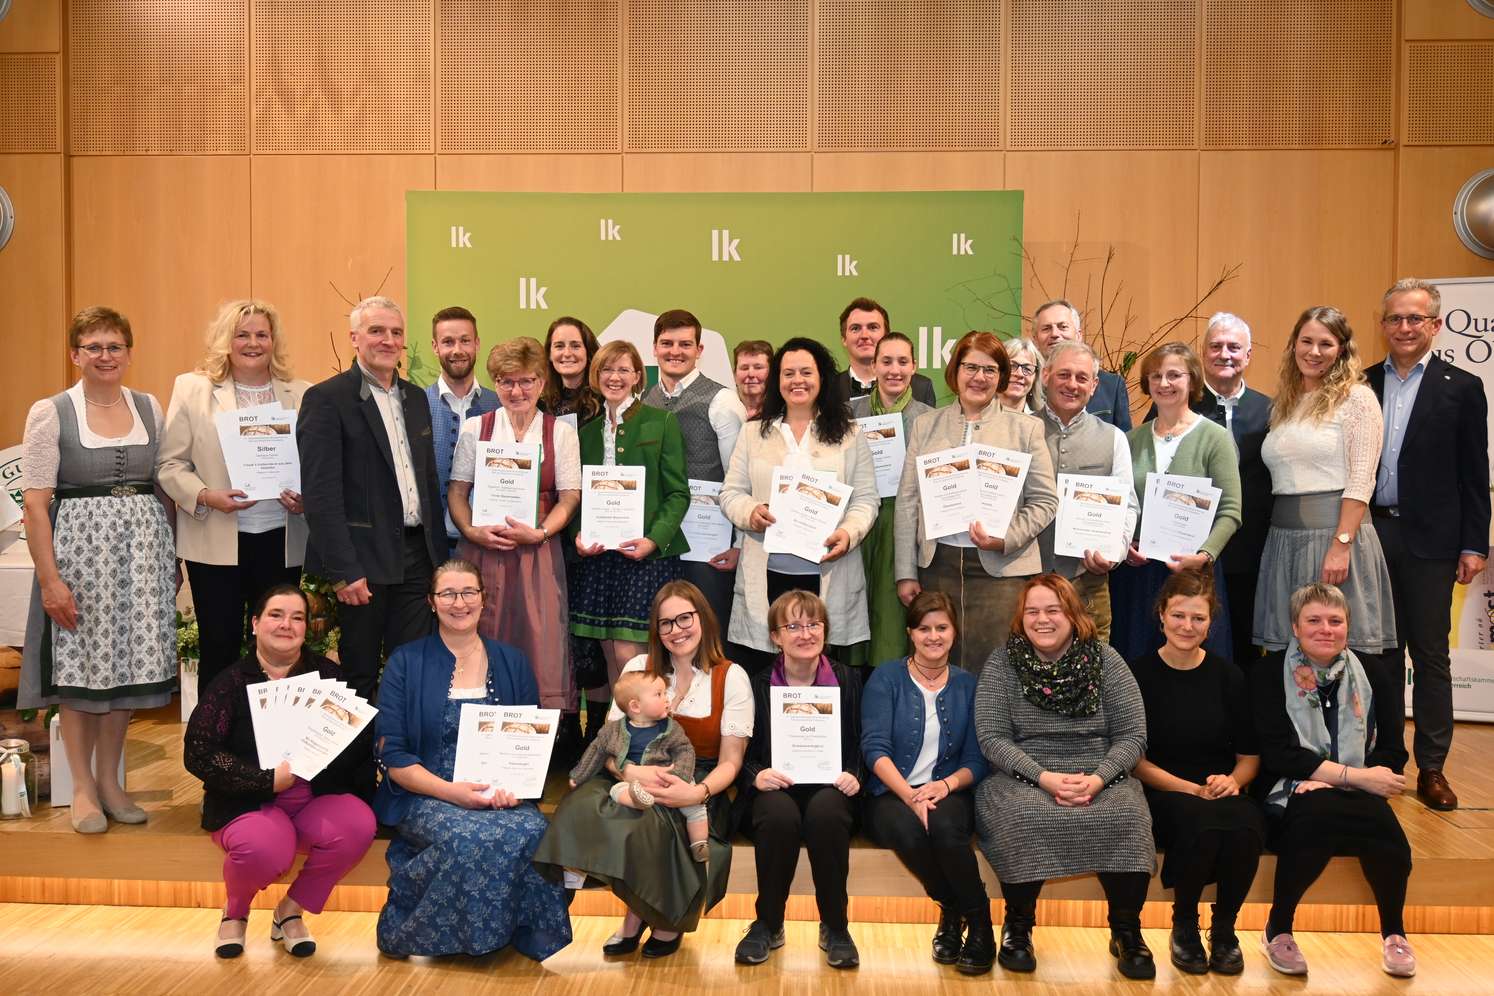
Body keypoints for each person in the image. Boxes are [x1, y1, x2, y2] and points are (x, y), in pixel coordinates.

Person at [19, 306, 176, 834]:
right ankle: (82, 788)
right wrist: (50, 580)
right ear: (75, 354)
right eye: (93, 347)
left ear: (129, 353)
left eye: (114, 346)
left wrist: (171, 560)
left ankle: (111, 782)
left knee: (126, 670)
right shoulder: (51, 411)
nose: (105, 356)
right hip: (80, 558)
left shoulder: (149, 406)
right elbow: (35, 503)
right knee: (81, 672)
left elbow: (163, 486)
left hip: (142, 559)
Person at [535, 580, 753, 959]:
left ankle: (651, 916)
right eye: (665, 623)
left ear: (703, 618)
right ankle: (572, 912)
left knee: (654, 823)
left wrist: (695, 792)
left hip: (698, 779)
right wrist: (630, 772)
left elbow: (731, 762)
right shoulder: (638, 668)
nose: (676, 630)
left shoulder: (730, 676)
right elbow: (608, 743)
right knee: (580, 805)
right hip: (630, 769)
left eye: (684, 618)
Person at [373, 559, 573, 960]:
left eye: (468, 592)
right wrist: (453, 793)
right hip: (426, 793)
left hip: (500, 792)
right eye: (448, 593)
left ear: (484, 599)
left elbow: (530, 738)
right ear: (431, 602)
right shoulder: (405, 662)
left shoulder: (513, 661)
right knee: (466, 837)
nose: (459, 603)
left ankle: (511, 934)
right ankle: (432, 936)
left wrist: (514, 790)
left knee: (534, 831)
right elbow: (392, 755)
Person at [974, 574, 1155, 979]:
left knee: (1127, 814)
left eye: (1053, 610)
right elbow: (992, 738)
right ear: (1021, 618)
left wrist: (1099, 779)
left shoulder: (1107, 661)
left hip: (1099, 773)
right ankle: (1018, 926)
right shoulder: (1002, 663)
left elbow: (1132, 736)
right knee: (1024, 815)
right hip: (1023, 774)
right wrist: (1043, 778)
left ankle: (1127, 931)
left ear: (1073, 615)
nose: (1042, 619)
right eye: (1032, 611)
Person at [183, 584, 376, 959]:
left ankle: (290, 910)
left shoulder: (328, 676)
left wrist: (321, 756)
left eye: (297, 617)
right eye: (276, 615)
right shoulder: (231, 683)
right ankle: (235, 912)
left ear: (306, 629)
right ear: (255, 624)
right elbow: (199, 752)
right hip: (248, 803)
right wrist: (265, 780)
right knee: (266, 847)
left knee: (358, 826)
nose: (286, 624)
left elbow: (358, 739)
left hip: (313, 799)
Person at [1250, 582, 1415, 979]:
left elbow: (1393, 752)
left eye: (1335, 621)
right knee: (1317, 815)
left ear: (1348, 626)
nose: (1326, 629)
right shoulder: (1268, 672)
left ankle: (1395, 933)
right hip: (1288, 789)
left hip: (1356, 791)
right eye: (1314, 620)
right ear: (1295, 627)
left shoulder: (1373, 672)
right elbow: (1278, 754)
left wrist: (1344, 781)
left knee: (1388, 832)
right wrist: (1350, 777)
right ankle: (1279, 929)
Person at [1367, 279, 1490, 812]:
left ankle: (1433, 767)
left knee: (1431, 655)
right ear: (1383, 324)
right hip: (1371, 534)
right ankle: (1388, 759)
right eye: (1395, 318)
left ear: (1435, 325)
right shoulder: (1361, 383)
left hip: (1433, 542)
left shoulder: (1462, 387)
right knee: (1380, 655)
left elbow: (1474, 473)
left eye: (1415, 318)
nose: (1404, 327)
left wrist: (1474, 544)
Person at [159, 300, 310, 696]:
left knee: (278, 647)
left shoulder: (301, 393)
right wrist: (206, 495)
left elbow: (316, 465)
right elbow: (170, 465)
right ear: (225, 340)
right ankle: (216, 733)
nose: (252, 343)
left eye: (262, 334)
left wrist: (305, 498)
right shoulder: (192, 389)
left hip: (280, 538)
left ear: (274, 341)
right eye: (242, 335)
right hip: (216, 540)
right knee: (219, 646)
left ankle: (270, 732)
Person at [298, 296, 444, 702]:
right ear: (354, 337)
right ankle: (359, 746)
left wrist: (437, 561)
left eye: (396, 332)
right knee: (359, 674)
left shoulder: (417, 399)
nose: (388, 340)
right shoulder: (327, 399)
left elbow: (427, 481)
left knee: (411, 669)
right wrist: (344, 570)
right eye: (376, 331)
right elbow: (320, 494)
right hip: (361, 560)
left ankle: (399, 745)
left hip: (416, 557)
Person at [895, 331, 1059, 674]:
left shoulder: (1026, 429)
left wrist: (1006, 538)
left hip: (1002, 572)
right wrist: (906, 572)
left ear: (1001, 376)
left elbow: (1045, 501)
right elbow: (908, 502)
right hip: (937, 566)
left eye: (990, 370)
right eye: (971, 367)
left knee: (996, 671)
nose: (979, 377)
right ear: (955, 370)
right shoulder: (926, 425)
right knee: (937, 665)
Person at [1130, 571, 1263, 976]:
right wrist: (1190, 789)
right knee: (1201, 822)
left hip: (1219, 789)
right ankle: (1184, 924)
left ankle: (1224, 930)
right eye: (1178, 615)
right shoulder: (1138, 675)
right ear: (1161, 616)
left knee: (1246, 826)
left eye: (1198, 618)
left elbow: (1250, 757)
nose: (1187, 626)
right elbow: (1135, 761)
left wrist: (1234, 781)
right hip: (1163, 790)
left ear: (1210, 624)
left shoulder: (1229, 676)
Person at [720, 337, 879, 672]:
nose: (797, 381)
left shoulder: (850, 434)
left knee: (820, 674)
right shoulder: (752, 433)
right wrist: (751, 512)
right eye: (788, 373)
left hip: (828, 574)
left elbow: (866, 499)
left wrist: (849, 533)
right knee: (768, 674)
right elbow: (731, 493)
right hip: (768, 575)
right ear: (777, 380)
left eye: (806, 372)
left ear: (821, 378)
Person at [1255, 307, 1397, 669]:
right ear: (1293, 345)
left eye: (1326, 344)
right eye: (1306, 341)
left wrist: (1341, 544)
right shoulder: (1285, 403)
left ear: (1342, 350)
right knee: (1291, 659)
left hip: (1333, 539)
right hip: (1284, 540)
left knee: (1339, 653)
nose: (1314, 352)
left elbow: (1362, 478)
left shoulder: (1357, 399)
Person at [448, 337, 581, 720]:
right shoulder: (476, 427)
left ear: (541, 382)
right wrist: (471, 531)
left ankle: (534, 730)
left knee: (539, 639)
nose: (517, 391)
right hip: (483, 550)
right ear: (495, 383)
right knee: (483, 631)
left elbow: (569, 497)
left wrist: (540, 533)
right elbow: (457, 491)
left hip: (537, 552)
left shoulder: (561, 433)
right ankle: (477, 720)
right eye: (506, 381)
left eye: (526, 381)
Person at [860, 591, 993, 974]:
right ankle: (954, 908)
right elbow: (874, 748)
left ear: (954, 632)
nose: (933, 636)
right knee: (906, 830)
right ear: (910, 634)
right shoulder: (886, 678)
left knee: (947, 829)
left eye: (942, 628)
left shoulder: (969, 685)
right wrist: (910, 796)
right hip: (890, 792)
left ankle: (979, 925)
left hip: (948, 789)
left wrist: (945, 786)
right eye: (924, 628)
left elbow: (976, 760)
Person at [735, 590, 866, 969]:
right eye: (793, 626)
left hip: (833, 787)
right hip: (774, 787)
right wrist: (756, 775)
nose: (805, 634)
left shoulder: (849, 679)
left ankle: (836, 927)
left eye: (813, 624)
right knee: (778, 815)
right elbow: (741, 750)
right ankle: (768, 923)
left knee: (827, 813)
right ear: (775, 636)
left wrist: (855, 774)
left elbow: (863, 741)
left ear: (825, 630)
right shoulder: (758, 684)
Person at [1144, 313, 1274, 667]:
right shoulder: (1174, 405)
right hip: (1176, 556)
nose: (1224, 354)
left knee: (1239, 647)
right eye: (1215, 346)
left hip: (1245, 552)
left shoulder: (1269, 409)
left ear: (1248, 355)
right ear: (1202, 354)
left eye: (1234, 347)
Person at [1111, 342, 1241, 662]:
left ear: (1192, 380)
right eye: (1156, 376)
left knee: (1194, 666)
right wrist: (1124, 543)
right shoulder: (1131, 440)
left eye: (1174, 375)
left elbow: (1231, 510)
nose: (1164, 383)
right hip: (1138, 572)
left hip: (1194, 573)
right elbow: (1120, 501)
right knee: (1138, 660)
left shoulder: (1214, 437)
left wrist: (1204, 555)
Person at [571, 340, 690, 690]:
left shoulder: (662, 422)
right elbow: (575, 495)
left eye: (624, 369)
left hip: (646, 555)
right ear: (596, 375)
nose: (615, 377)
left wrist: (654, 539)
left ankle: (646, 721)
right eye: (607, 369)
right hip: (600, 558)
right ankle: (622, 721)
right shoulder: (586, 433)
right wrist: (578, 535)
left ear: (638, 376)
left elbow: (678, 493)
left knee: (631, 654)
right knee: (610, 652)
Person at [643, 309, 745, 639]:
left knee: (708, 630)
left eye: (685, 344)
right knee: (665, 631)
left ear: (699, 350)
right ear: (654, 348)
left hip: (708, 542)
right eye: (667, 343)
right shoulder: (644, 399)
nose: (675, 351)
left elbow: (739, 480)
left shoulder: (722, 401)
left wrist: (740, 544)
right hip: (660, 540)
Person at [1036, 341, 1138, 641]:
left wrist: (1114, 554)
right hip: (1026, 582)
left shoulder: (1114, 438)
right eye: (1064, 374)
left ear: (1093, 386)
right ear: (1046, 376)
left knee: (1092, 666)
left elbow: (1128, 506)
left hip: (1088, 583)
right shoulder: (1020, 430)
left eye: (1082, 378)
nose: (1072, 384)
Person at [850, 332, 933, 667]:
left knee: (891, 624)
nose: (894, 370)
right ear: (874, 365)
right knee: (852, 617)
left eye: (902, 362)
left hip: (902, 529)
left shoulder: (928, 419)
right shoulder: (849, 413)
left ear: (914, 366)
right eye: (886, 361)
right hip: (857, 525)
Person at [567, 671, 710, 861]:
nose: (666, 698)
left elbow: (685, 750)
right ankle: (636, 800)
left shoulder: (671, 728)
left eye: (664, 693)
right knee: (616, 791)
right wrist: (579, 776)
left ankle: (699, 844)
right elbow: (596, 751)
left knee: (696, 806)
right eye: (659, 694)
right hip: (633, 783)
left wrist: (679, 777)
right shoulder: (613, 731)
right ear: (635, 706)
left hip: (669, 779)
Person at [424, 306, 499, 555]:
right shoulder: (416, 404)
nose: (457, 350)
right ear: (435, 347)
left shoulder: (500, 405)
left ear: (477, 343)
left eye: (465, 340)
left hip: (488, 546)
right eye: (448, 342)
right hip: (429, 548)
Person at [1030, 299, 1132, 430]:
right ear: (1035, 340)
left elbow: (1124, 437)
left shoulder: (1111, 386)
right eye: (1046, 328)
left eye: (1063, 327)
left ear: (1078, 335)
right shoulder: (1025, 383)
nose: (1054, 334)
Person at [834, 297, 938, 405]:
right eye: (855, 328)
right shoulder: (828, 388)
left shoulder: (921, 387)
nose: (864, 335)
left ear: (886, 336)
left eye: (873, 327)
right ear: (844, 339)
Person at [538, 315, 603, 429]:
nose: (567, 353)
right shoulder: (540, 404)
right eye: (559, 346)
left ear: (588, 351)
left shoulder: (605, 402)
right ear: (549, 354)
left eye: (575, 346)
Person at [998, 337, 1043, 414]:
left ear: (1035, 378)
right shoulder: (977, 415)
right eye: (1012, 366)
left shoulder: (1041, 420)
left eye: (1027, 369)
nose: (1019, 374)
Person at [733, 339, 773, 419]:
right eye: (744, 368)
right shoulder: (724, 409)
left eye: (758, 368)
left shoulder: (783, 412)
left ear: (772, 372)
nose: (751, 374)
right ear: (734, 374)